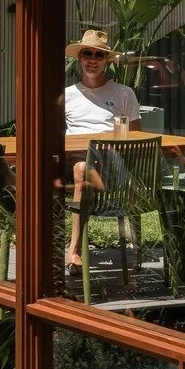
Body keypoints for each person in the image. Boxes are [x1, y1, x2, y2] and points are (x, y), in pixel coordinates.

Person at [61, 30, 140, 268]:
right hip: (73, 160)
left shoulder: (123, 93)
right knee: (81, 167)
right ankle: (73, 246)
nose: (92, 59)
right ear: (80, 58)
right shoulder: (67, 95)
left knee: (83, 169)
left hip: (109, 163)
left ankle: (73, 247)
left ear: (107, 60)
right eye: (87, 53)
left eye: (99, 54)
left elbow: (136, 135)